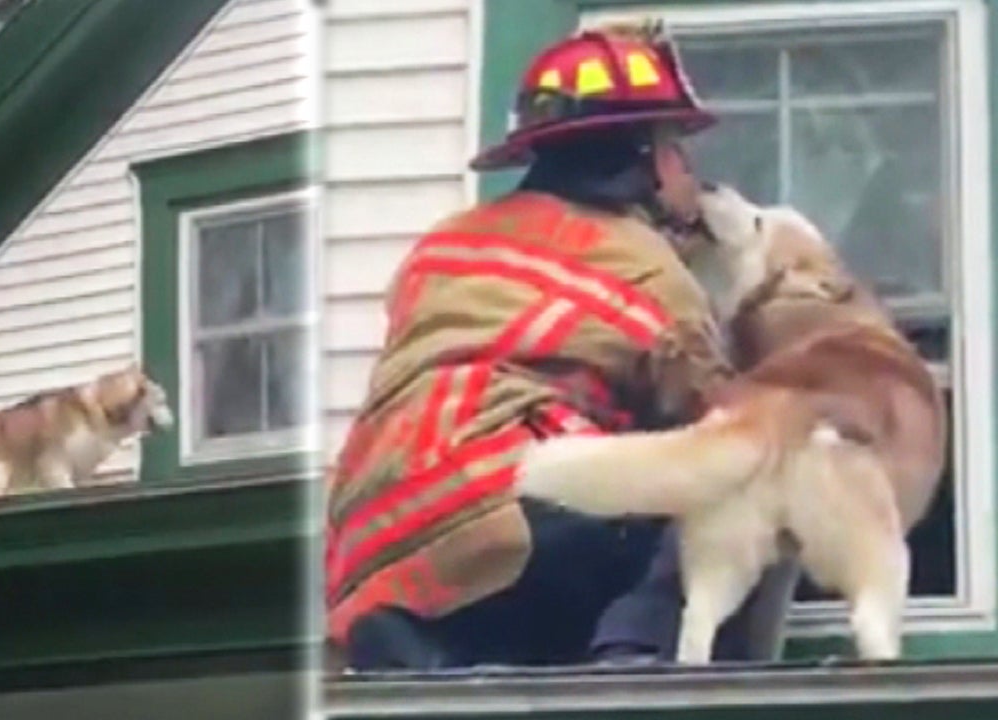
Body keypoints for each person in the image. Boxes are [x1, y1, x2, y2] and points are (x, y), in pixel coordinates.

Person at [325, 20, 795, 671]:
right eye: (677, 151)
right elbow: (713, 420)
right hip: (517, 509)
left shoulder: (445, 245)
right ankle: (631, 660)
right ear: (641, 161)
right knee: (747, 473)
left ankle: (428, 649)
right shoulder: (645, 265)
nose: (693, 176)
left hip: (375, 543)